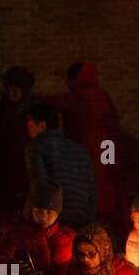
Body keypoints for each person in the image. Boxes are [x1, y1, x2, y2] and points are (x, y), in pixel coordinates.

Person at [56, 62, 122, 234]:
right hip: (107, 147)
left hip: (88, 149)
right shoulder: (102, 95)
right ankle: (108, 227)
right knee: (107, 182)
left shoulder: (78, 97)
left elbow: (55, 102)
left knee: (89, 185)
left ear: (73, 79)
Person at [0, 66, 36, 253]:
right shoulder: (2, 112)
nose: (12, 93)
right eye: (9, 89)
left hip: (23, 174)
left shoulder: (32, 113)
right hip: (2, 175)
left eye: (16, 89)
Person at [0, 181, 77, 275]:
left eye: (49, 212)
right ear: (31, 210)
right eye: (39, 210)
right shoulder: (18, 233)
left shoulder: (68, 237)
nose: (44, 216)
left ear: (58, 212)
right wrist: (14, 271)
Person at [25, 101, 96, 230]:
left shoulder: (35, 147)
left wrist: (28, 217)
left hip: (54, 218)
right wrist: (89, 223)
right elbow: (92, 189)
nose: (28, 130)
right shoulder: (80, 149)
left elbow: (40, 184)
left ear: (42, 126)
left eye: (30, 125)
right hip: (80, 217)